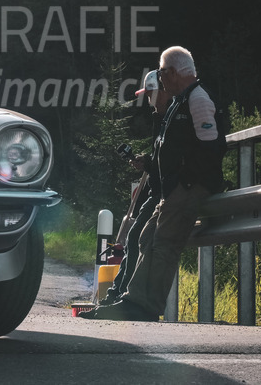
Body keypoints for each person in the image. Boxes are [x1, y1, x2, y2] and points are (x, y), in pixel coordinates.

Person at [81, 46, 226, 321]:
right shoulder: (180, 101)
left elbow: (212, 147)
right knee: (146, 237)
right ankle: (131, 301)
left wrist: (186, 181)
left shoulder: (198, 98)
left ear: (172, 72)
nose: (160, 79)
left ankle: (145, 306)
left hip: (186, 187)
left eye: (161, 73)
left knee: (164, 244)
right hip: (172, 188)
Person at [98, 69, 167, 306]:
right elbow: (161, 155)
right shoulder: (161, 118)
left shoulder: (174, 117)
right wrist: (145, 161)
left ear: (162, 91)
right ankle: (116, 294)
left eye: (150, 94)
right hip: (158, 191)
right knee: (133, 235)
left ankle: (120, 296)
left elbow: (172, 158)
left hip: (166, 193)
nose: (148, 99)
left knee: (136, 235)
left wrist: (149, 162)